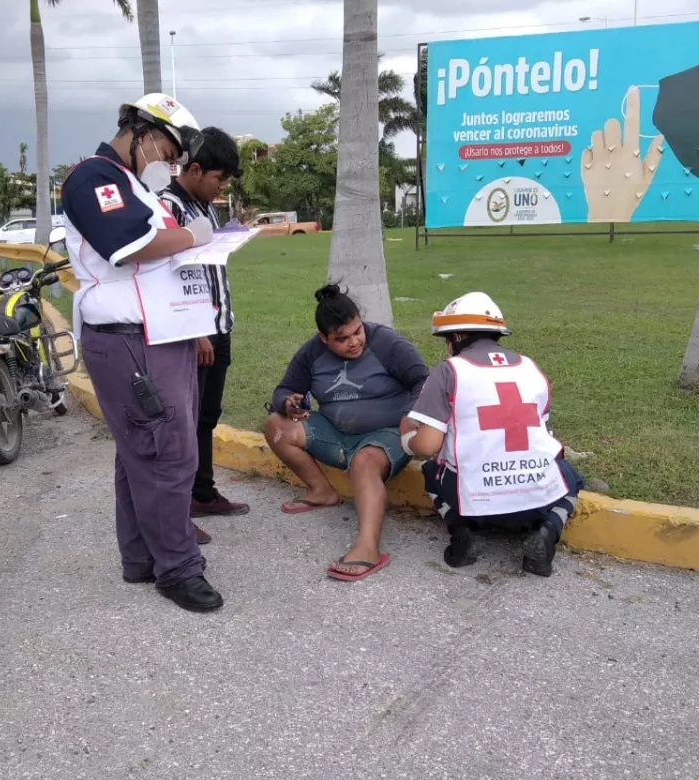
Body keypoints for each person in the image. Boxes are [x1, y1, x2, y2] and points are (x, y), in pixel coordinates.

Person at [61, 93, 225, 613]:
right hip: (128, 338)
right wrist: (191, 235)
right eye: (166, 149)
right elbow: (128, 244)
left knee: (142, 451)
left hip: (158, 333)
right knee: (167, 454)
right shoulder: (94, 177)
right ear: (139, 130)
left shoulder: (129, 183)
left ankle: (140, 559)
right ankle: (177, 570)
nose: (168, 163)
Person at [398, 292, 585, 577]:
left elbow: (427, 445)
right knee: (570, 478)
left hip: (473, 503)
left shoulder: (450, 372)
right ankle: (547, 531)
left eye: (448, 340)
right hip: (535, 500)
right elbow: (542, 433)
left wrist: (405, 438)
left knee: (431, 471)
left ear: (457, 337)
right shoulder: (531, 368)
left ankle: (462, 531)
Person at [265, 284, 429, 582]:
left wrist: (410, 416)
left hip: (385, 435)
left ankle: (368, 549)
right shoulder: (311, 353)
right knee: (276, 425)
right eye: (342, 339)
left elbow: (423, 380)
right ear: (323, 338)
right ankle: (321, 491)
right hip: (336, 435)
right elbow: (285, 389)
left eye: (357, 331)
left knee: (364, 462)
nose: (354, 342)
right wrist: (287, 403)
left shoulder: (387, 343)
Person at [155, 128, 250, 524]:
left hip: (218, 326)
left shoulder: (204, 207)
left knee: (206, 416)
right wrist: (196, 332)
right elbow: (167, 274)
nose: (222, 187)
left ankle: (202, 491)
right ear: (194, 169)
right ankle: (178, 512)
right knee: (183, 421)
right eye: (219, 178)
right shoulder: (167, 207)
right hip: (192, 333)